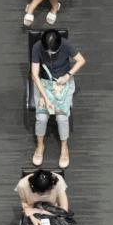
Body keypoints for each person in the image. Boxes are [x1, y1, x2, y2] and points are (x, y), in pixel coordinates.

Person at [30, 29, 86, 168]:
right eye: (47, 52)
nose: (50, 54)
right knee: (41, 118)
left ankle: (64, 147)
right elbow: (35, 75)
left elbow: (81, 60)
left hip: (63, 82)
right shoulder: (37, 47)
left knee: (61, 118)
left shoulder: (66, 45)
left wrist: (68, 75)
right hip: (44, 84)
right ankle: (40, 145)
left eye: (52, 52)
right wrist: (46, 99)